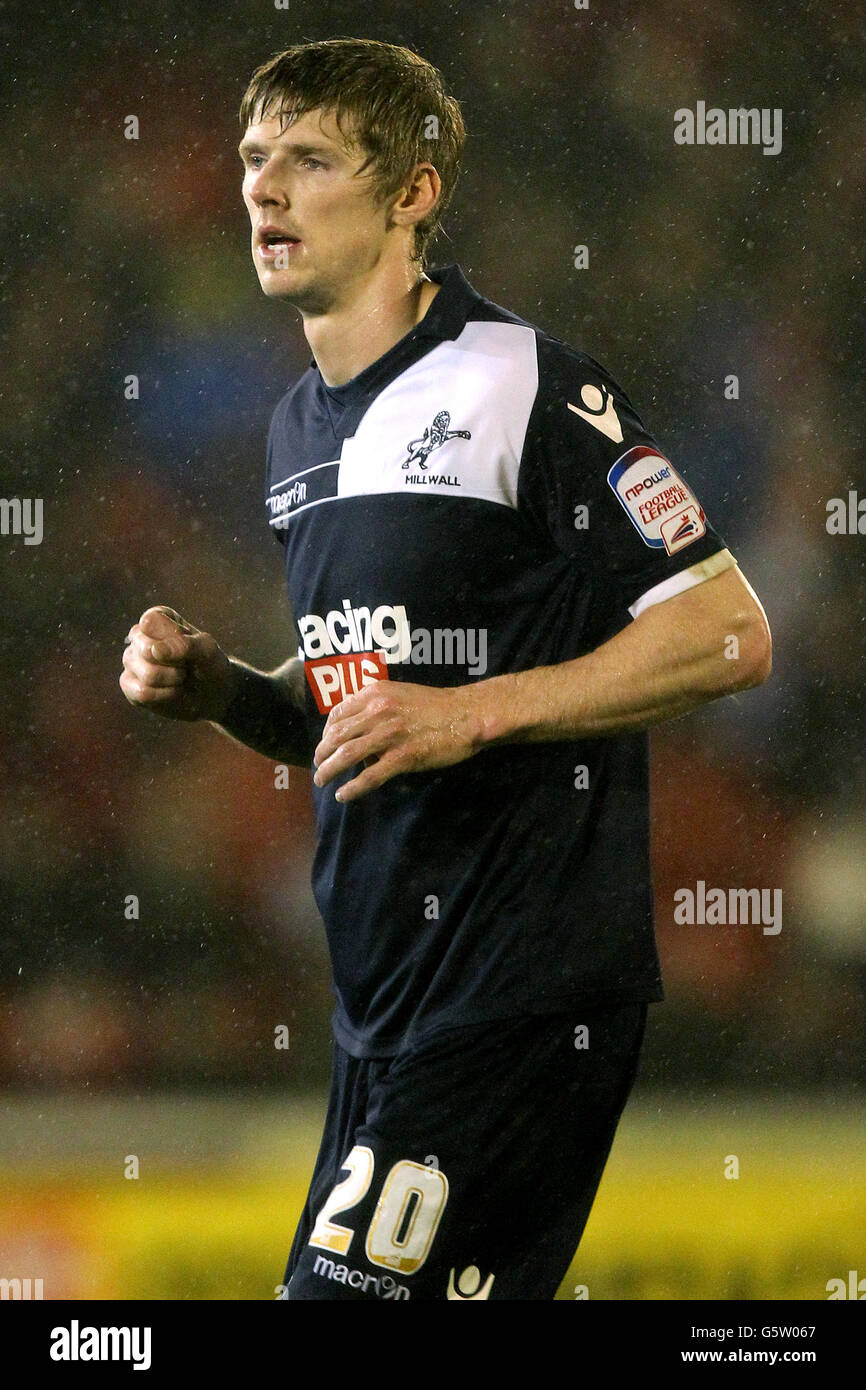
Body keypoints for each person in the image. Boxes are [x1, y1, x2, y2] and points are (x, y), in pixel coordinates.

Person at [120, 38, 772, 1301]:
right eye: (254, 160)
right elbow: (363, 716)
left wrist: (473, 714)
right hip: (380, 1013)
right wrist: (224, 694)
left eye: (308, 161)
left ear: (412, 193)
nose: (263, 190)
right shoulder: (296, 426)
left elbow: (727, 632)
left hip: (520, 996)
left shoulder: (527, 385)